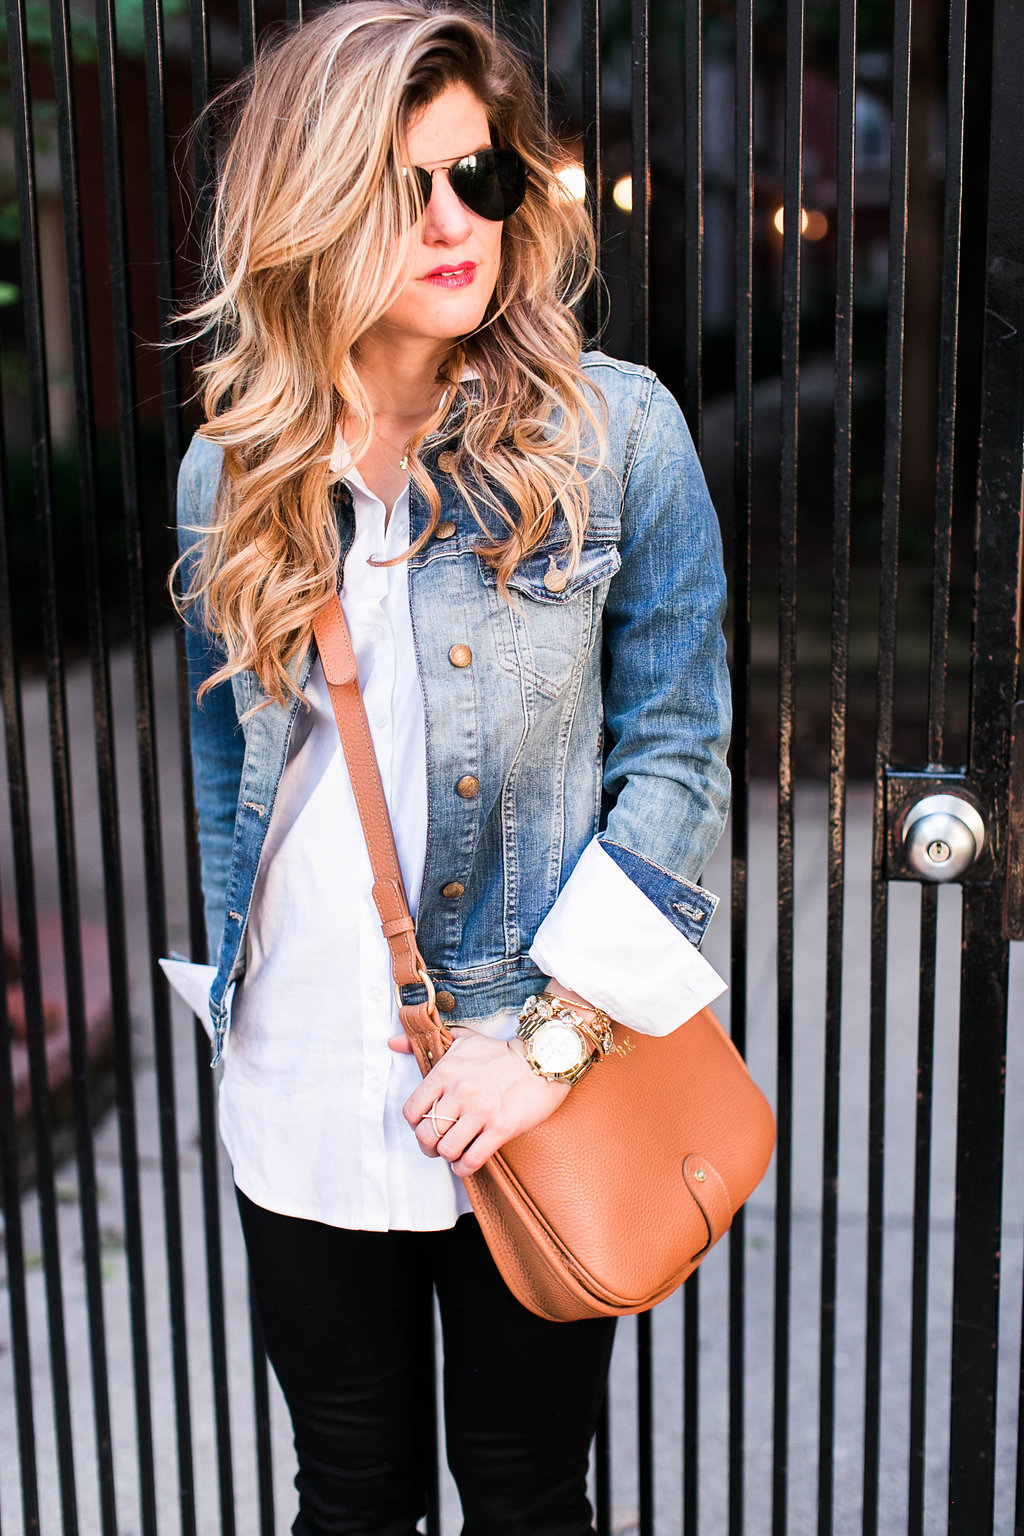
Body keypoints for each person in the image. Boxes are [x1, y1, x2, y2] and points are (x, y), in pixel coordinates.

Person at [170, 3, 731, 1532]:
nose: (453, 222)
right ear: (312, 204)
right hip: (302, 1077)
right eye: (403, 184)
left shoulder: (616, 438)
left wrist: (548, 1046)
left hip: (523, 1079)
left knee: (530, 1492)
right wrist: (234, 990)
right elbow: (241, 773)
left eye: (478, 178)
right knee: (348, 1491)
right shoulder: (232, 469)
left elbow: (680, 763)